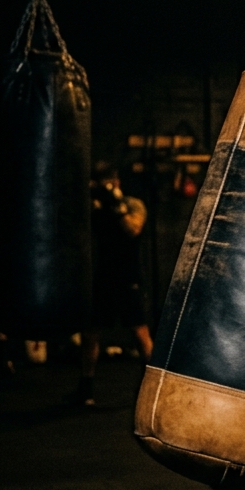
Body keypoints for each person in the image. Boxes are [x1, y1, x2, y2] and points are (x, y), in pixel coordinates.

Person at [71, 164, 153, 407]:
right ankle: (85, 389)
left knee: (140, 334)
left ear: (117, 181)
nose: (109, 185)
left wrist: (117, 207)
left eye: (111, 180)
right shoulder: (96, 205)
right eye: (102, 181)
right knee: (90, 332)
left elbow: (133, 229)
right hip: (104, 276)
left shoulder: (133, 204)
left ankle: (152, 391)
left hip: (129, 276)